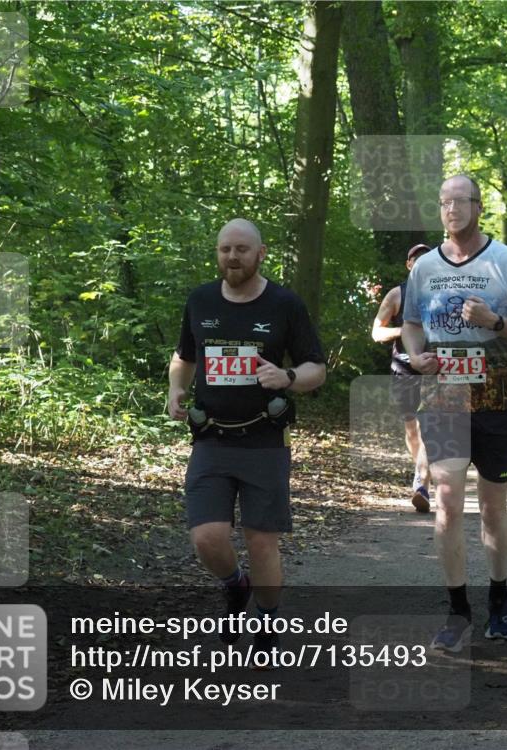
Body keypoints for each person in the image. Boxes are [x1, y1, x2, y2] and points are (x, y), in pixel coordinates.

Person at [167, 218, 326, 657]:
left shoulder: (284, 304)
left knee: (261, 542)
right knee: (207, 537)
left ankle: (268, 624)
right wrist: (176, 390)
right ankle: (235, 585)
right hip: (211, 438)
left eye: (241, 249)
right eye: (224, 249)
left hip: (264, 441)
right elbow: (183, 358)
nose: (232, 257)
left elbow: (317, 368)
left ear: (261, 253)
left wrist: (288, 376)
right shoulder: (200, 300)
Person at [402, 176, 507, 651]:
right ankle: (457, 608)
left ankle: (499, 598)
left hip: (498, 400)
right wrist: (416, 354)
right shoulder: (424, 267)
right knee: (446, 503)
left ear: (477, 207)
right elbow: (411, 324)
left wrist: (494, 322)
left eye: (458, 201)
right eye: (443, 202)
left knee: (492, 506)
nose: (450, 210)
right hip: (443, 400)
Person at [371, 243, 433, 513]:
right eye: (416, 259)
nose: (421, 262)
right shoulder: (396, 295)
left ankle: (421, 483)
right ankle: (421, 473)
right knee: (412, 429)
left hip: (434, 368)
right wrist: (406, 331)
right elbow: (376, 333)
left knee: (429, 426)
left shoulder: (443, 292)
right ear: (409, 265)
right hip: (404, 368)